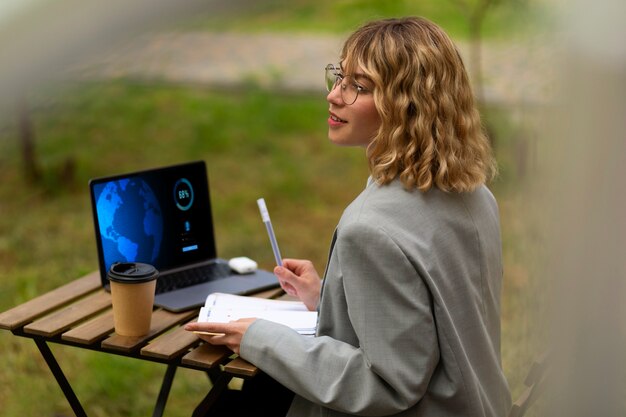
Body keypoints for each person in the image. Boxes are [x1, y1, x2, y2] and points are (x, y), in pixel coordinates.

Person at [185, 16, 511, 417]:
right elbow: (433, 318)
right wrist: (329, 298)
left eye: (360, 86)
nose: (334, 96)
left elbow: (388, 384)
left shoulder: (371, 228)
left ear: (407, 106)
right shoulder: (475, 194)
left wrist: (257, 337)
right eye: (340, 77)